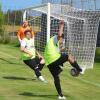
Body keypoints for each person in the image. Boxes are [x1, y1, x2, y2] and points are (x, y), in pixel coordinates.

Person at [44, 20, 82, 100]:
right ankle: (79, 69)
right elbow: (59, 34)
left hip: (49, 62)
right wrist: (61, 26)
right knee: (68, 57)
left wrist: (62, 49)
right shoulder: (55, 38)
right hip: (53, 58)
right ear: (60, 38)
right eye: (62, 39)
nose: (62, 41)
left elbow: (59, 51)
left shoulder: (55, 43)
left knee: (56, 77)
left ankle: (60, 95)